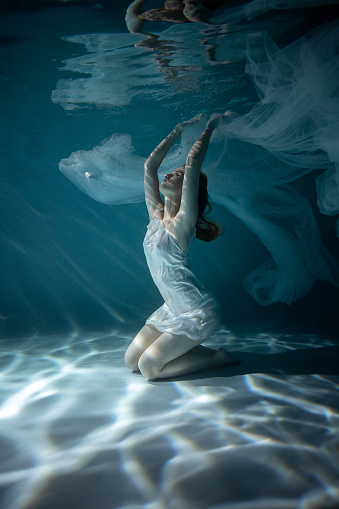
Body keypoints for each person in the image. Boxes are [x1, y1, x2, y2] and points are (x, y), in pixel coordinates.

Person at [125, 113, 239, 380]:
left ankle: (214, 358)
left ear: (188, 185)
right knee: (131, 361)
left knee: (149, 369)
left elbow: (192, 162)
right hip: (172, 309)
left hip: (197, 313)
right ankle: (184, 349)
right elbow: (149, 167)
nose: (169, 173)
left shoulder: (182, 223)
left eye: (178, 175)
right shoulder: (156, 217)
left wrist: (211, 125)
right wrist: (177, 130)